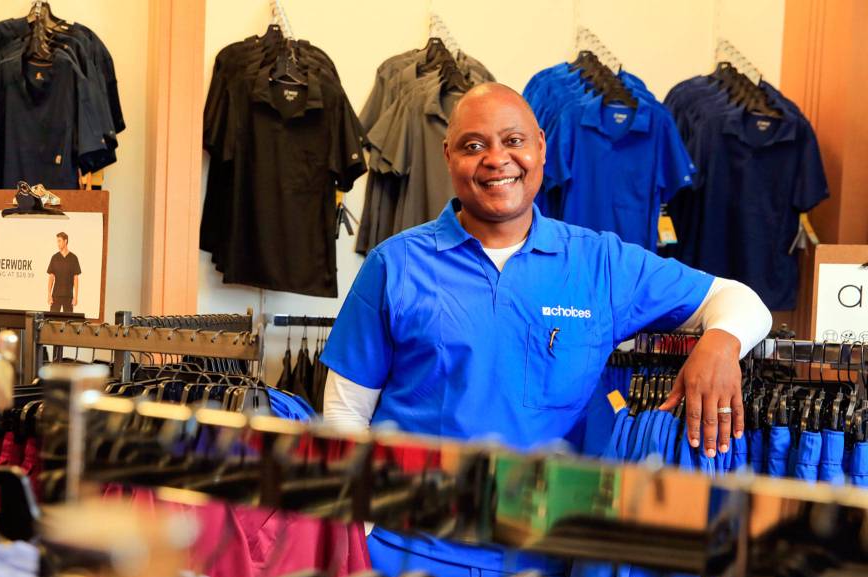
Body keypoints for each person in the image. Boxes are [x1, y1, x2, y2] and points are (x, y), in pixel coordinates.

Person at [321, 83, 773, 459]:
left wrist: (720, 345)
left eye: (513, 141)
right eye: (473, 146)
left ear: (540, 145)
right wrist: (364, 522)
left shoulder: (601, 264)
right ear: (448, 156)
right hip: (413, 530)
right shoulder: (395, 264)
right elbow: (345, 411)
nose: (496, 159)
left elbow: (741, 301)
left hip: (544, 533)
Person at [46, 231, 81, 314]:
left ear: (65, 241)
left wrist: (76, 297)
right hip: (56, 295)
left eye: (59, 241)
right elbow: (51, 277)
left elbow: (75, 278)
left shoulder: (73, 258)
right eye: (57, 241)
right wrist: (49, 294)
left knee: (68, 320)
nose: (58, 244)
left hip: (68, 296)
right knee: (52, 319)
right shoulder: (55, 257)